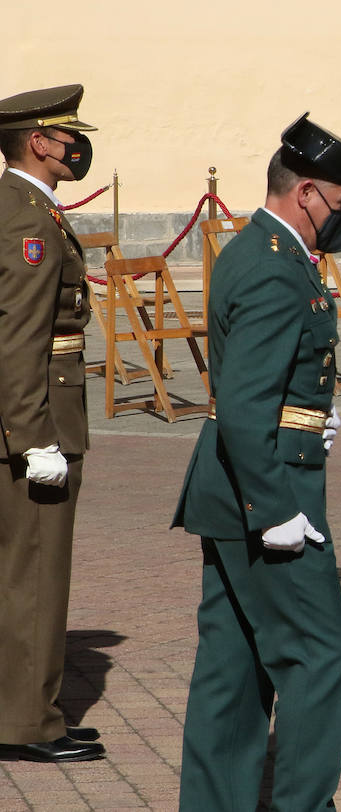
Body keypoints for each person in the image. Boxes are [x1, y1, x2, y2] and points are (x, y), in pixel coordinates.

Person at [171, 113, 341, 810]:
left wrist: (314, 411)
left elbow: (271, 381)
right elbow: (246, 402)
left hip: (236, 486)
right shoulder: (275, 268)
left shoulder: (258, 250)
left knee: (232, 670)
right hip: (267, 492)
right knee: (321, 656)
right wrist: (277, 510)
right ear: (308, 192)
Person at [0, 84, 105, 764]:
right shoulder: (31, 219)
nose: (78, 146)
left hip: (29, 410)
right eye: (68, 135)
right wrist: (33, 436)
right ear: (40, 141)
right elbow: (22, 336)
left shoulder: (18, 205)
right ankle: (26, 724)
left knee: (17, 571)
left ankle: (24, 708)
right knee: (35, 574)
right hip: (38, 417)